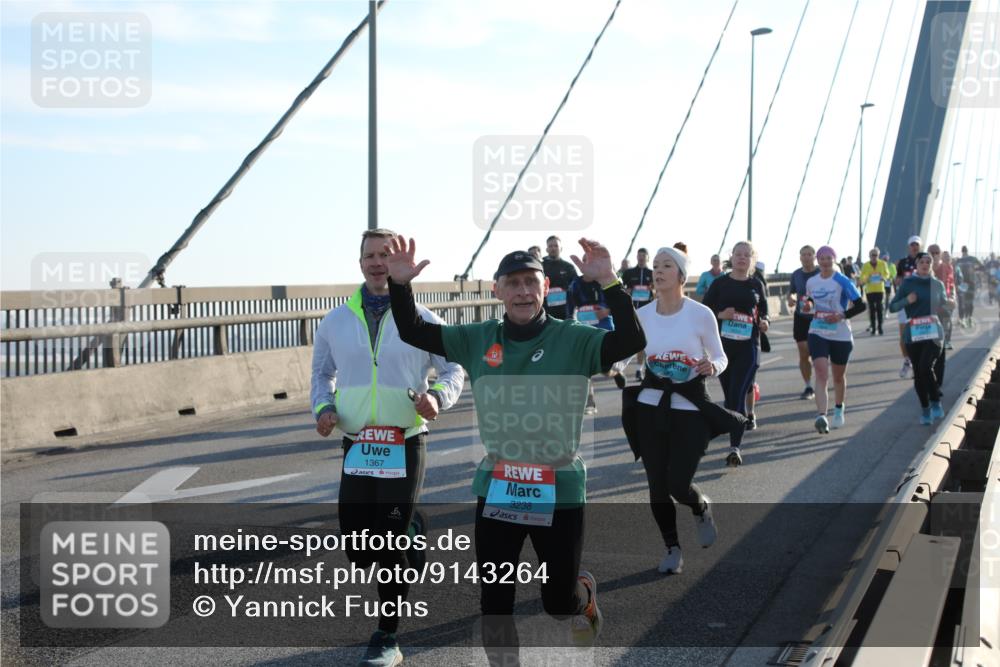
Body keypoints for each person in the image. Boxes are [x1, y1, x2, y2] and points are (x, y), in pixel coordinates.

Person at [385, 236, 645, 663]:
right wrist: (399, 285)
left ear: (545, 289)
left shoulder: (575, 339)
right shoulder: (477, 338)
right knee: (495, 603)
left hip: (558, 486)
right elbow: (413, 329)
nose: (523, 291)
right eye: (514, 283)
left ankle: (583, 596)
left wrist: (610, 282)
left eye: (531, 282)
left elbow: (630, 341)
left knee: (558, 603)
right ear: (498, 290)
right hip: (499, 484)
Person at [311, 228, 465, 667]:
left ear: (399, 263)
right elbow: (321, 374)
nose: (378, 262)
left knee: (390, 544)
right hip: (358, 443)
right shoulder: (337, 321)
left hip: (405, 440)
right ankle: (414, 525)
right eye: (370, 255)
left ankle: (387, 635)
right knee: (360, 550)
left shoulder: (421, 319)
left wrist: (436, 397)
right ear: (360, 262)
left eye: (386, 255)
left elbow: (453, 366)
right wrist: (323, 406)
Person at [625, 243, 742, 575]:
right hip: (650, 406)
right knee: (657, 487)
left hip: (689, 406)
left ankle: (700, 506)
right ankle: (672, 549)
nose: (658, 271)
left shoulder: (699, 314)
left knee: (678, 483)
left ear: (680, 275)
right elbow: (625, 352)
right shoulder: (643, 315)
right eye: (656, 267)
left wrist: (712, 367)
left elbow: (720, 356)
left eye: (666, 266)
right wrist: (610, 365)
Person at [701, 240, 769, 466]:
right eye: (738, 254)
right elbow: (706, 310)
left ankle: (735, 448)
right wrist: (722, 314)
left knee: (738, 393)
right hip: (723, 348)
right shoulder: (720, 284)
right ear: (732, 257)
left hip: (749, 346)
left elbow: (764, 312)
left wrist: (765, 322)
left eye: (746, 255)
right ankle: (734, 429)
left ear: (752, 259)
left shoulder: (756, 284)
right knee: (730, 397)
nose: (742, 258)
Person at [804, 246, 866, 433]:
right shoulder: (812, 281)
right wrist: (808, 305)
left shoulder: (842, 281)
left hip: (840, 333)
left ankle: (838, 409)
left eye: (828, 258)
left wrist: (841, 316)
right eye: (821, 258)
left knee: (838, 376)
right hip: (818, 330)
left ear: (834, 259)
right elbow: (811, 300)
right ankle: (821, 415)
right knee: (821, 373)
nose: (824, 262)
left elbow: (860, 306)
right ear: (817, 260)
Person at [888, 252, 951, 425]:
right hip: (913, 334)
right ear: (916, 264)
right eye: (921, 261)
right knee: (919, 373)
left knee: (925, 367)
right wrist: (907, 300)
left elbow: (945, 309)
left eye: (928, 262)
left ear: (932, 265)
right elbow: (892, 307)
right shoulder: (908, 283)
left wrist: (948, 306)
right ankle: (925, 409)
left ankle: (936, 401)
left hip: (934, 333)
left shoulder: (937, 284)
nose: (925, 264)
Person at [567, 273, 628, 408]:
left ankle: (615, 372)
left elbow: (620, 298)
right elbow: (570, 307)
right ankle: (589, 400)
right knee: (585, 363)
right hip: (584, 326)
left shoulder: (604, 280)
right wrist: (570, 322)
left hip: (604, 325)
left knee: (605, 367)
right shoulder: (575, 284)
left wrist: (608, 309)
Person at [788, 245, 820, 400]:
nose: (806, 257)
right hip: (801, 316)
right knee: (803, 352)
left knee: (818, 353)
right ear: (800, 257)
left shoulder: (821, 272)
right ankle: (808, 386)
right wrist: (791, 298)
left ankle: (821, 381)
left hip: (819, 317)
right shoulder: (796, 274)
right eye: (803, 254)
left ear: (814, 257)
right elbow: (792, 292)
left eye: (809, 254)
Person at [622, 248, 654, 381]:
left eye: (643, 256)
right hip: (632, 311)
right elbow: (621, 288)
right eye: (639, 255)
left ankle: (639, 369)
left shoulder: (652, 273)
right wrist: (626, 290)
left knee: (644, 341)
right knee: (629, 341)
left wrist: (654, 291)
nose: (641, 258)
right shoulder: (629, 273)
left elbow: (658, 291)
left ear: (648, 258)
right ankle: (620, 368)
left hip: (648, 312)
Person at [895, 236, 922, 378]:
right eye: (912, 244)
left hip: (919, 304)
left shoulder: (924, 261)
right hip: (905, 302)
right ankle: (907, 361)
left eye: (917, 244)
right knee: (903, 336)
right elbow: (898, 280)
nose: (914, 247)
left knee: (918, 335)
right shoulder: (902, 263)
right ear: (908, 247)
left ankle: (917, 364)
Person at [541, 235, 579, 320]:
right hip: (546, 314)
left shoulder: (569, 267)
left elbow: (577, 288)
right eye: (550, 246)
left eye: (556, 246)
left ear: (561, 248)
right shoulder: (541, 267)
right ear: (547, 249)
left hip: (567, 314)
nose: (553, 248)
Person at [930, 245, 956, 351]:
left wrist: (953, 296)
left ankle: (947, 341)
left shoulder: (947, 267)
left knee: (946, 320)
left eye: (937, 253)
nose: (934, 255)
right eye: (932, 253)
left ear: (940, 255)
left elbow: (952, 283)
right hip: (930, 301)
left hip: (945, 300)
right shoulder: (924, 267)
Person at [858, 248, 889, 335]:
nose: (874, 256)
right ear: (869, 256)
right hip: (870, 290)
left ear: (878, 255)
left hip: (879, 289)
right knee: (871, 309)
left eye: (876, 255)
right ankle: (873, 327)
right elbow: (862, 276)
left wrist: (883, 277)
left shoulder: (883, 264)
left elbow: (887, 273)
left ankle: (880, 327)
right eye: (872, 255)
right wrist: (866, 278)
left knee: (879, 308)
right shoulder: (866, 265)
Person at [955, 246, 980, 327]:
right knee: (970, 301)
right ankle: (969, 318)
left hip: (961, 283)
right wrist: (975, 271)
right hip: (971, 282)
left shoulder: (958, 261)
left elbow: (954, 272)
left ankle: (962, 319)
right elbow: (981, 267)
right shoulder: (973, 259)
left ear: (961, 251)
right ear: (967, 251)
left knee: (962, 301)